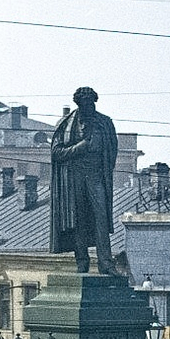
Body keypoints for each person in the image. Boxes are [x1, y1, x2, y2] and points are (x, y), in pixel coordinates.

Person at [50, 86, 119, 276]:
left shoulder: (104, 123)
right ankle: (82, 262)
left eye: (92, 104)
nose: (89, 108)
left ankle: (106, 263)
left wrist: (103, 168)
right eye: (85, 105)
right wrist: (80, 148)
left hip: (96, 175)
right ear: (79, 105)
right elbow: (56, 153)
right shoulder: (65, 124)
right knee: (78, 219)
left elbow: (112, 150)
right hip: (74, 178)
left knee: (101, 218)